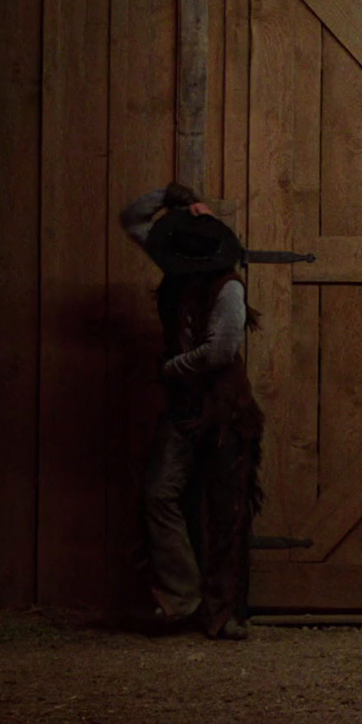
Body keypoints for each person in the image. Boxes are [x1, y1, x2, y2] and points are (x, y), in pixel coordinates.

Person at [120, 183, 264, 641]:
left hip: (224, 411)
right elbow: (132, 219)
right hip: (183, 408)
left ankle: (225, 613)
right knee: (159, 496)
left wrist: (170, 368)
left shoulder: (228, 289)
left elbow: (220, 351)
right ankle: (183, 598)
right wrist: (169, 198)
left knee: (227, 512)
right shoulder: (177, 262)